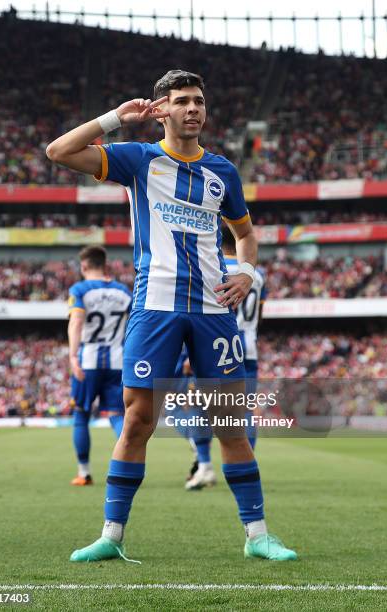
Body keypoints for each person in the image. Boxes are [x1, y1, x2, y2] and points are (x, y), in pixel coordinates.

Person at [47, 69, 297, 561]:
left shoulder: (222, 171)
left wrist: (246, 271)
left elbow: (246, 234)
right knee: (138, 419)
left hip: (212, 308)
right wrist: (116, 118)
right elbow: (58, 152)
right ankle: (111, 536)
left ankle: (259, 536)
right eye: (182, 100)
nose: (193, 109)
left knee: (230, 423)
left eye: (199, 101)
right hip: (154, 306)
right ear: (162, 109)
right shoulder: (138, 159)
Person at [179, 225, 267, 490]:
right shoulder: (257, 276)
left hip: (214, 345)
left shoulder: (211, 268)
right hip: (247, 346)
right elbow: (258, 315)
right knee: (244, 410)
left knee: (197, 406)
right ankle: (245, 468)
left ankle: (204, 465)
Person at [68, 245, 132, 485]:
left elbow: (76, 322)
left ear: (84, 267)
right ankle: (125, 468)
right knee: (117, 416)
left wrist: (73, 356)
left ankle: (84, 473)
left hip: (89, 361)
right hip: (117, 361)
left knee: (81, 415)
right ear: (105, 265)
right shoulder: (123, 292)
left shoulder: (80, 289)